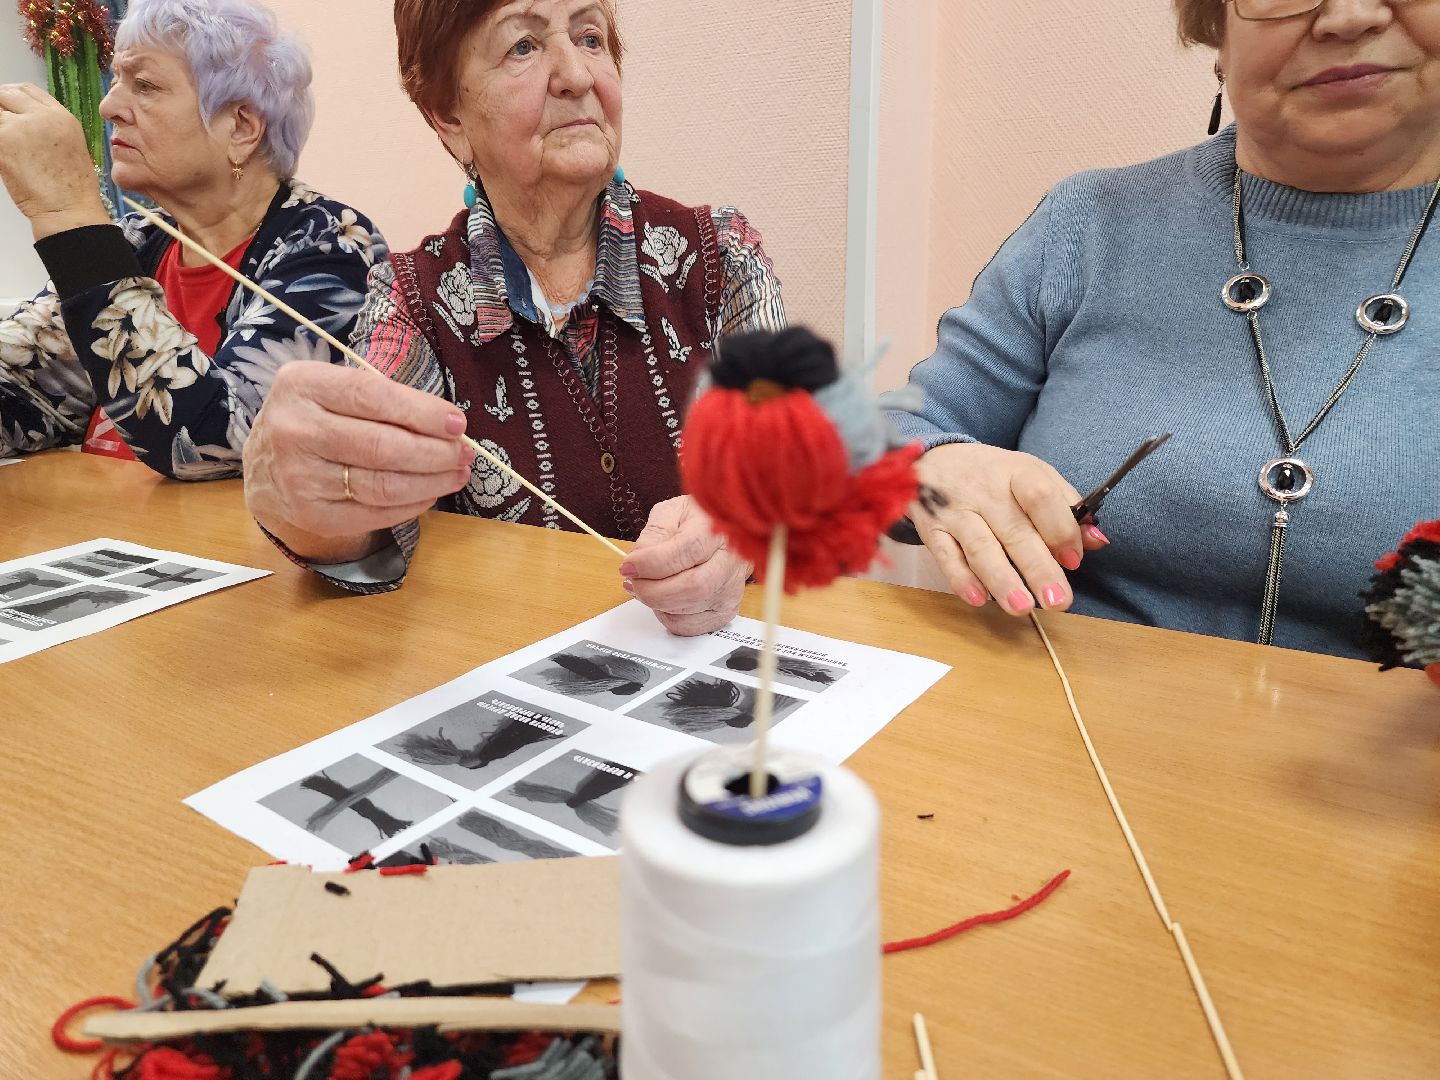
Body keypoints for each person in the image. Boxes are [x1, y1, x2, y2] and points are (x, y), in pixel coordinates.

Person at [886, 0, 1440, 659]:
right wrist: (936, 463)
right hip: (1047, 734)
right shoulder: (1087, 226)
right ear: (1217, 33)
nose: (1347, 17)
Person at [244, 0, 785, 635]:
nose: (577, 75)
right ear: (448, 120)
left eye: (590, 36)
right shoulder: (411, 304)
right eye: (523, 47)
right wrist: (307, 507)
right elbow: (370, 526)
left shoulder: (720, 258)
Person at [0, 0, 386, 478]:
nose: (109, 106)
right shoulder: (142, 239)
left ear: (241, 127)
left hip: (221, 547)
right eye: (118, 80)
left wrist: (70, 216)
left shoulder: (330, 243)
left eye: (144, 85)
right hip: (111, 534)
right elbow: (23, 390)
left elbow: (212, 445)